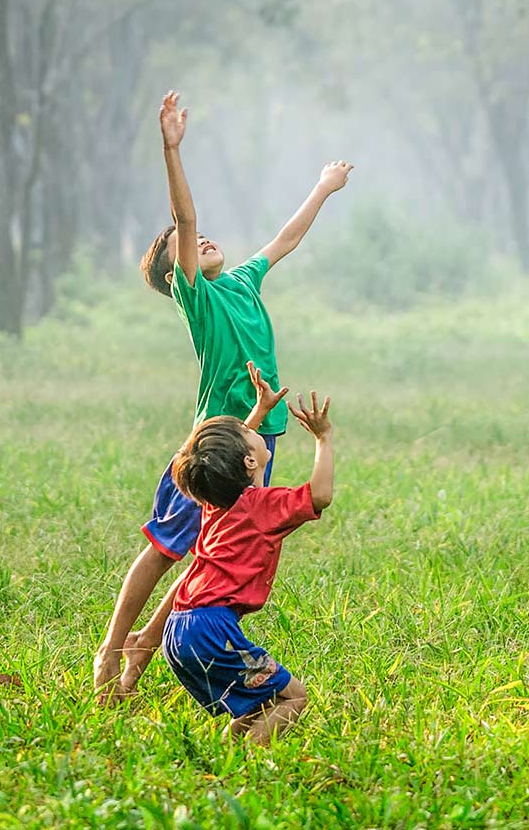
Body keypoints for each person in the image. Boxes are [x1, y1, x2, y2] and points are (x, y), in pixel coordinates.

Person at [93, 89, 352, 700]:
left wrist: (323, 187)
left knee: (210, 561)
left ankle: (136, 667)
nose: (201, 239)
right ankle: (113, 652)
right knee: (164, 549)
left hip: (258, 439)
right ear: (173, 273)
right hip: (214, 443)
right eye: (185, 246)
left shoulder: (240, 280)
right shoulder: (199, 298)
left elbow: (285, 239)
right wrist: (171, 149)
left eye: (205, 237)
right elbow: (184, 219)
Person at [163, 366, 334, 742]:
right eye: (249, 432)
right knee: (294, 697)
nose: (252, 429)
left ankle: (227, 754)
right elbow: (320, 495)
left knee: (259, 703)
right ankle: (250, 764)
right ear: (250, 462)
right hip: (211, 630)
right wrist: (323, 439)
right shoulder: (262, 507)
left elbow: (228, 457)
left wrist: (257, 413)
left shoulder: (216, 500)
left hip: (178, 629)